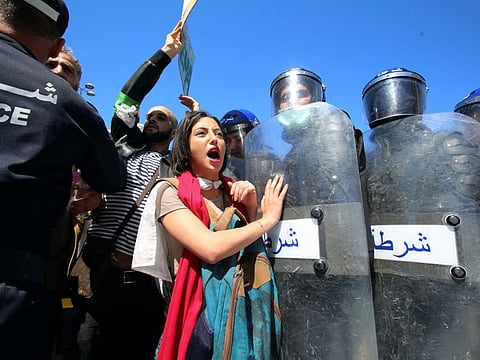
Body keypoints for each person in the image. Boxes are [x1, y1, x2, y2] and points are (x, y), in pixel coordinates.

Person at [0, 1, 126, 359]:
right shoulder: (72, 108)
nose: (53, 72)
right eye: (53, 63)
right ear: (54, 44)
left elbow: (111, 182)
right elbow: (111, 174)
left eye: (65, 69)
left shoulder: (77, 112)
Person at [81, 20, 198, 360]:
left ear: (174, 131)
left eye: (160, 117)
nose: (151, 119)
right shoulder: (124, 146)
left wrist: (196, 116)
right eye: (148, 116)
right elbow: (126, 99)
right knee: (86, 346)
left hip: (146, 285)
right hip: (100, 274)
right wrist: (164, 55)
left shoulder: (177, 170)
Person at [135, 110, 287, 359]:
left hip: (248, 309)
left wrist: (249, 208)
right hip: (199, 318)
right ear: (185, 147)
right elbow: (211, 249)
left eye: (219, 134)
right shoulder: (168, 192)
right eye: (202, 133)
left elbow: (249, 248)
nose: (214, 139)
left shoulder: (234, 191)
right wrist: (267, 220)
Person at [219, 108, 259, 179]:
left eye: (238, 139)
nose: (232, 147)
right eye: (228, 141)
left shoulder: (270, 167)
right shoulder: (220, 176)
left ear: (254, 140)